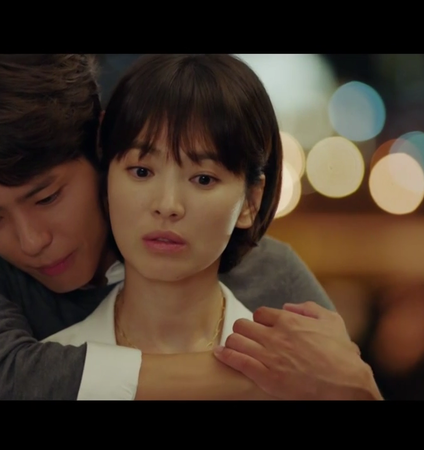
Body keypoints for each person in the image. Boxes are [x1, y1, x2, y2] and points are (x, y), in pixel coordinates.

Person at [0, 54, 382, 400]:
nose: (32, 241)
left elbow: (341, 376)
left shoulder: (266, 274)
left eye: (48, 198)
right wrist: (269, 381)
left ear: (102, 146)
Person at [43, 54, 281, 373]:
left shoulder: (289, 376)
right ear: (106, 180)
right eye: (141, 171)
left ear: (251, 201)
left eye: (203, 179)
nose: (167, 205)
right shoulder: (49, 373)